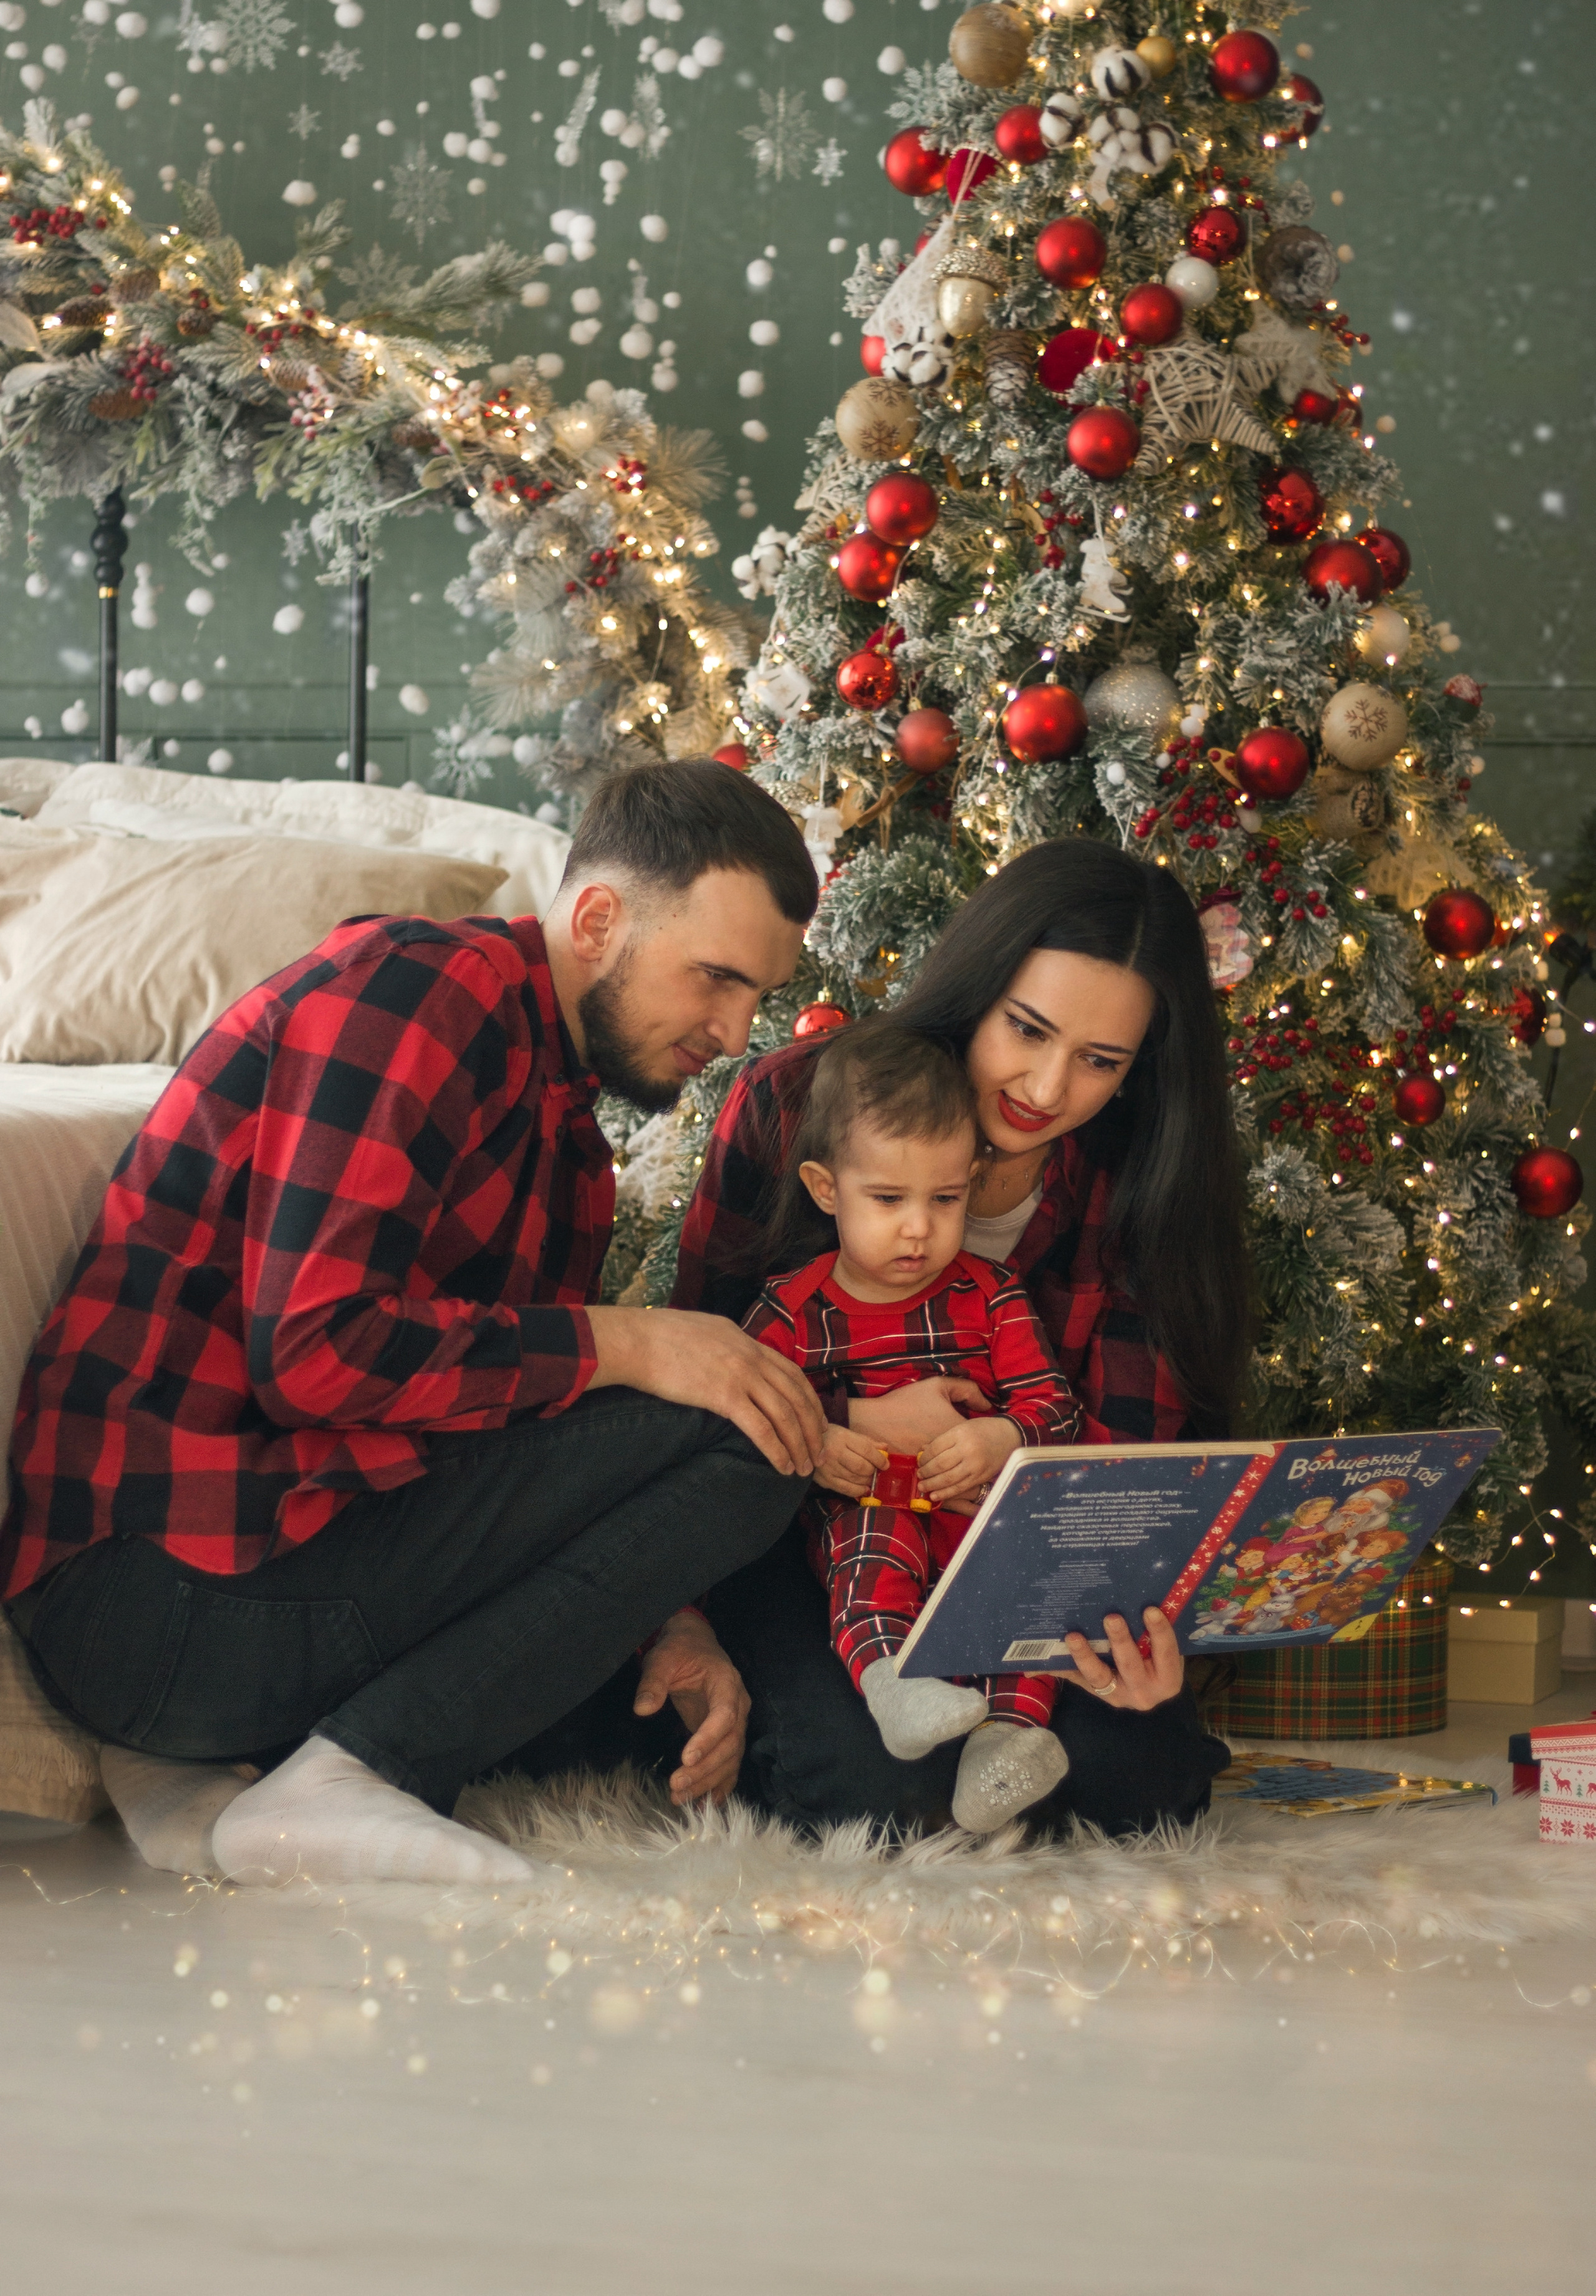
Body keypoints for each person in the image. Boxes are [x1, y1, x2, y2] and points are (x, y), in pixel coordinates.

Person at [1, 761, 828, 1886]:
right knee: (751, 1432)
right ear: (596, 920)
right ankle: (346, 1768)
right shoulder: (416, 997)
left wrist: (664, 1612)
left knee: (658, 1711)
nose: (735, 1033)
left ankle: (228, 1768)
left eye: (756, 999)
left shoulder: (570, 1141)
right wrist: (632, 1340)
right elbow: (315, 1354)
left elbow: (503, 1433)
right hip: (159, 1596)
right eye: (715, 979)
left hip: (292, 1556)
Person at [673, 837, 1248, 1838]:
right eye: (1026, 1028)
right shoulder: (796, 1105)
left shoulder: (1138, 1179)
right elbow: (697, 1383)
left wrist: (1134, 1627)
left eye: (1100, 1060)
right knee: (879, 1796)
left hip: (1030, 1565)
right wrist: (849, 1418)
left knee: (1142, 1779)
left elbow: (1130, 1458)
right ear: (977, 991)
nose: (1047, 1085)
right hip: (814, 1541)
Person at [743, 1022, 1079, 1835]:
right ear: (828, 1189)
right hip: (872, 1503)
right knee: (877, 1529)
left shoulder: (990, 1293)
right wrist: (821, 1439)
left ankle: (1005, 1743)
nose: (919, 1229)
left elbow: (1053, 1408)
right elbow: (740, 1414)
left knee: (1030, 1572)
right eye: (888, 1200)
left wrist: (1005, 1437)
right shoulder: (792, 1307)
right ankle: (891, 1680)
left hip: (972, 1508)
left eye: (946, 1199)